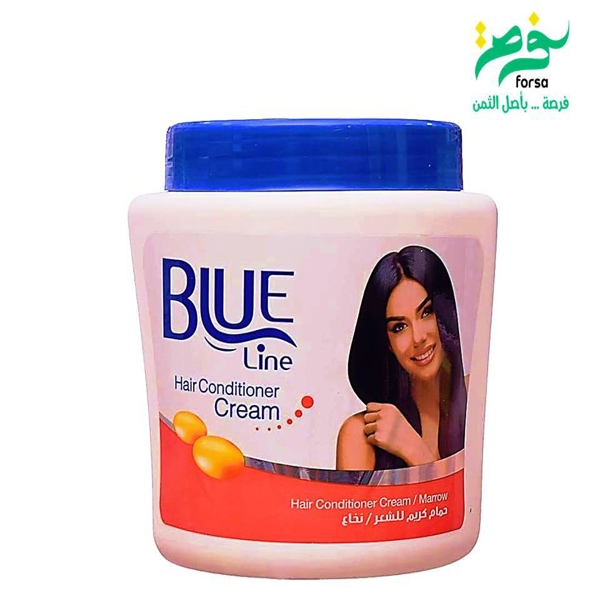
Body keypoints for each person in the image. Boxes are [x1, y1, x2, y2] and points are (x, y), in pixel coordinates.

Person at [336, 246, 468, 470]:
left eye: (426, 312)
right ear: (387, 342)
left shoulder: (476, 398)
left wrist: (413, 448)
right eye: (399, 327)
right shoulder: (360, 435)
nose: (418, 337)